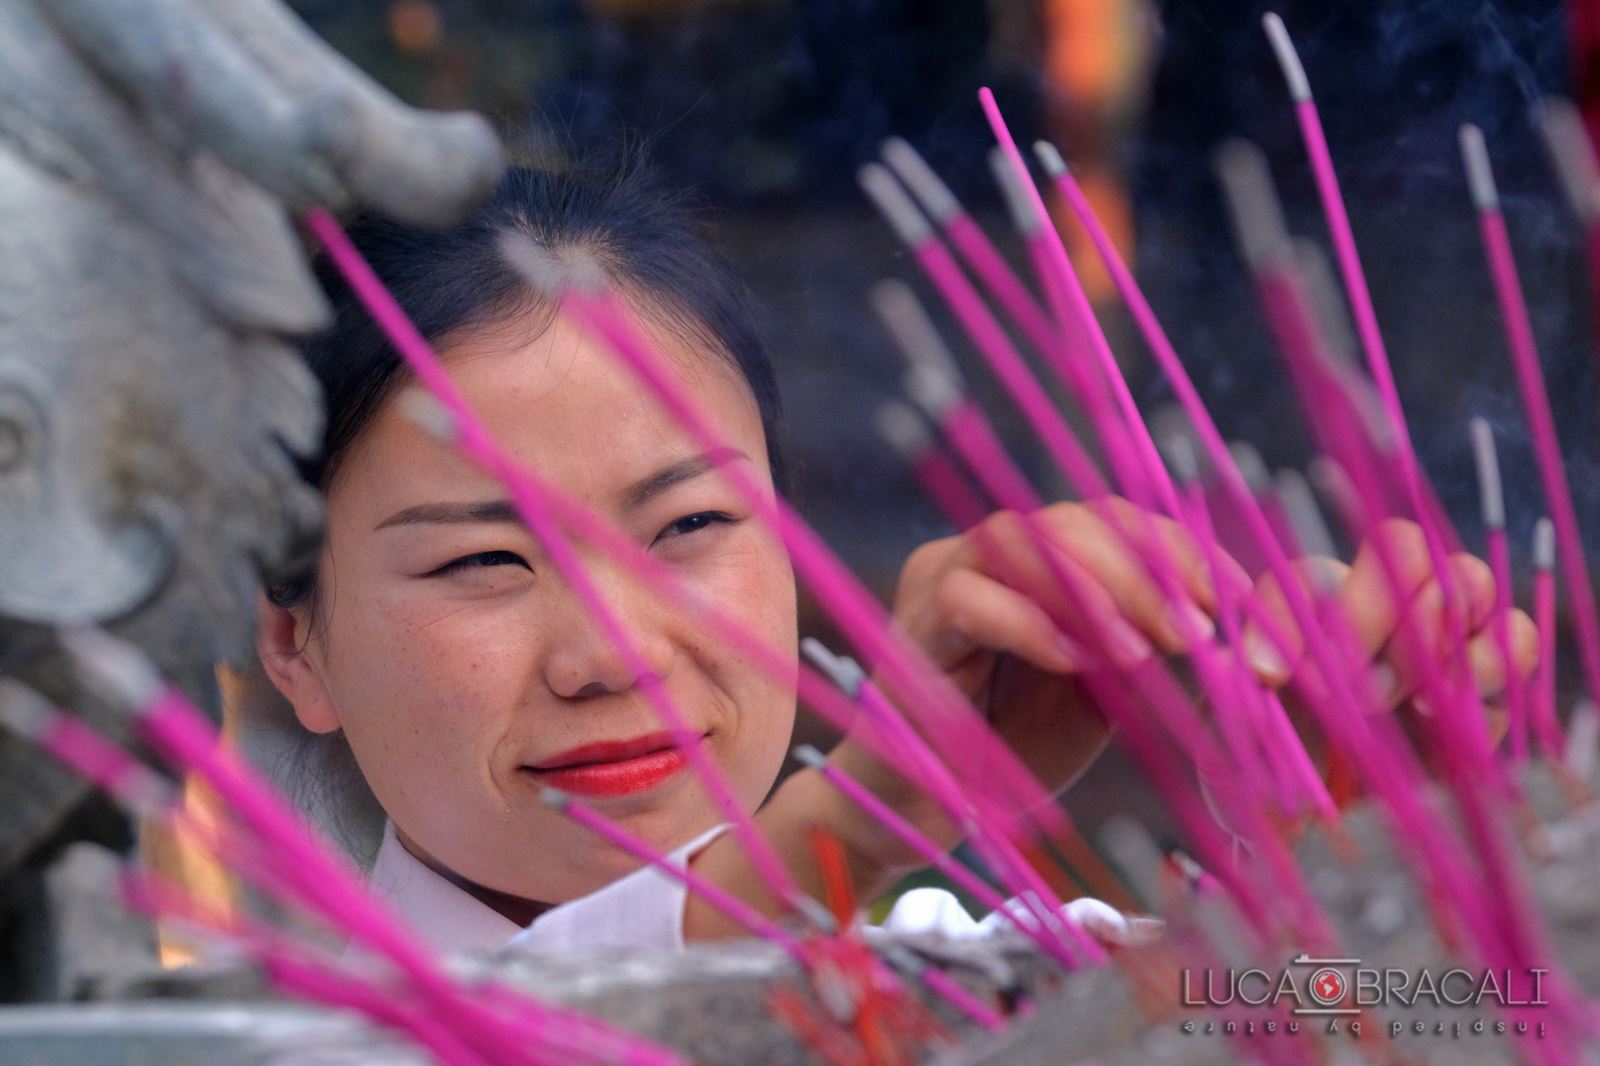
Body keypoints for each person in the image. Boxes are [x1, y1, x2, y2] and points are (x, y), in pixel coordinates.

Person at [252, 155, 1536, 957]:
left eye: (690, 528)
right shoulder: (231, 1037)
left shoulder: (1001, 991)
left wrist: (1382, 864)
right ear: (294, 640)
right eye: (486, 560)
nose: (614, 652)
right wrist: (847, 830)